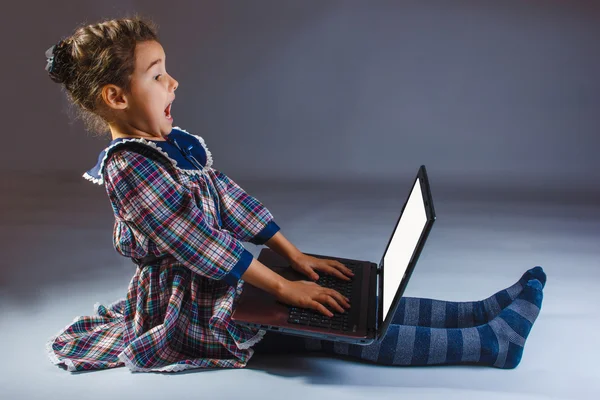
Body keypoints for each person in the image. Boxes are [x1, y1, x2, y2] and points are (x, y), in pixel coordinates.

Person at [44, 15, 545, 374]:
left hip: (230, 281)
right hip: (197, 305)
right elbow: (199, 243)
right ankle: (490, 343)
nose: (174, 82)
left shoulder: (172, 147)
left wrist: (293, 256)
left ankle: (475, 312)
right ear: (116, 97)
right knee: (341, 330)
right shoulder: (129, 168)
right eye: (156, 76)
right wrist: (282, 289)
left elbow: (231, 199)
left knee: (354, 302)